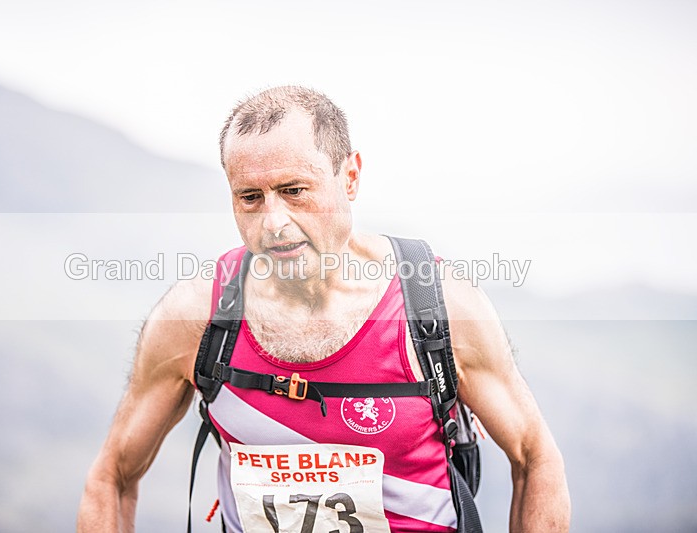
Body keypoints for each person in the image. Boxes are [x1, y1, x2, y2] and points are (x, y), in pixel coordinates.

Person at [77, 86, 570, 532]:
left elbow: (535, 456)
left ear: (349, 177)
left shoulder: (439, 307)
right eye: (250, 197)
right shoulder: (197, 318)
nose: (273, 222)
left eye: (294, 191)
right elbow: (112, 476)